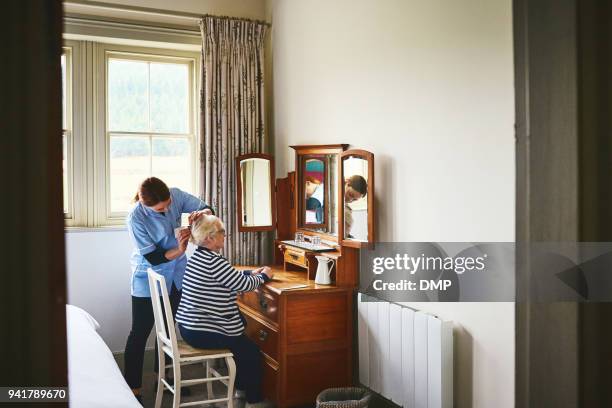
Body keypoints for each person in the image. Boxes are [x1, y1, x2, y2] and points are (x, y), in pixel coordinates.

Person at [124, 177, 213, 403]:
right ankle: (132, 389)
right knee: (140, 332)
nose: (167, 209)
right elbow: (153, 257)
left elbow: (207, 207)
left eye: (168, 204)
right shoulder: (136, 218)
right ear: (146, 204)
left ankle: (162, 379)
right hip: (147, 277)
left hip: (175, 277)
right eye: (160, 208)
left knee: (167, 330)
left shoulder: (176, 195)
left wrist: (201, 214)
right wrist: (181, 249)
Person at [176, 215, 274, 408]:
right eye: (222, 232)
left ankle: (240, 389)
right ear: (209, 238)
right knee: (251, 351)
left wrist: (248, 272)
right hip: (202, 332)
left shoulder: (198, 256)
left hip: (189, 327)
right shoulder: (214, 262)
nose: (225, 235)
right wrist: (264, 275)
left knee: (242, 342)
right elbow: (244, 285)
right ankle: (253, 400)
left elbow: (229, 275)